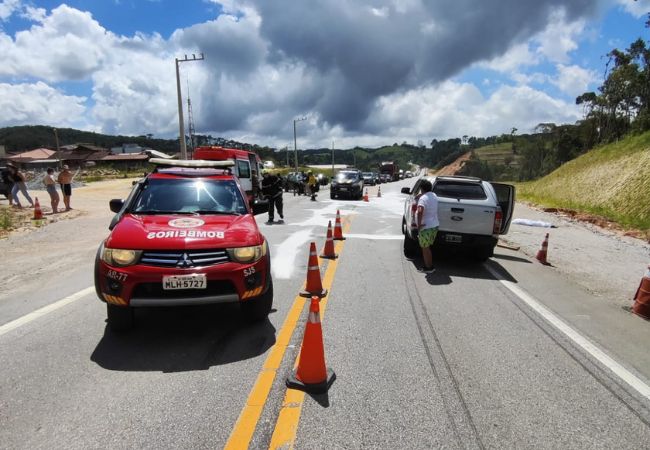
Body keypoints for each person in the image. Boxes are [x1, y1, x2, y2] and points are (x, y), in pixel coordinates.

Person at [416, 179, 439, 273]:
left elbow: (420, 211)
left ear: (421, 189)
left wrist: (419, 224)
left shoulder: (423, 199)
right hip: (434, 225)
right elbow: (427, 196)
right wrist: (422, 195)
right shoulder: (434, 195)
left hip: (426, 227)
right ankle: (430, 266)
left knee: (425, 248)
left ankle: (428, 268)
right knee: (428, 247)